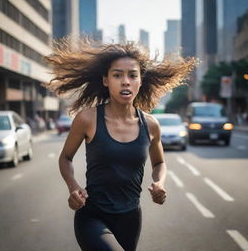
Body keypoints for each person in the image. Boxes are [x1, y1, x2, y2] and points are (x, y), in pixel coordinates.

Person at [45, 37, 196, 251]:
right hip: (92, 216)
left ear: (140, 81)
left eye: (132, 75)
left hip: (130, 217)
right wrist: (73, 187)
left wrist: (160, 183)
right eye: (117, 75)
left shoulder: (151, 125)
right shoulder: (87, 119)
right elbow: (65, 158)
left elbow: (159, 163)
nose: (125, 81)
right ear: (106, 80)